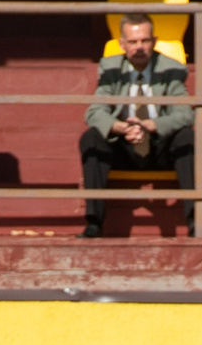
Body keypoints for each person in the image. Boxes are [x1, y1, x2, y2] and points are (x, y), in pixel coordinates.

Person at [81, 14, 195, 239]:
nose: (139, 47)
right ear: (122, 44)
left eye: (144, 40)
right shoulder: (111, 68)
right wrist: (121, 128)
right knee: (90, 139)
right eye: (133, 42)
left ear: (154, 41)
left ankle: (196, 224)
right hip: (123, 144)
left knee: (187, 139)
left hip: (158, 145)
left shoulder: (171, 69)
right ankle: (94, 224)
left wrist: (151, 125)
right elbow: (94, 112)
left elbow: (185, 114)